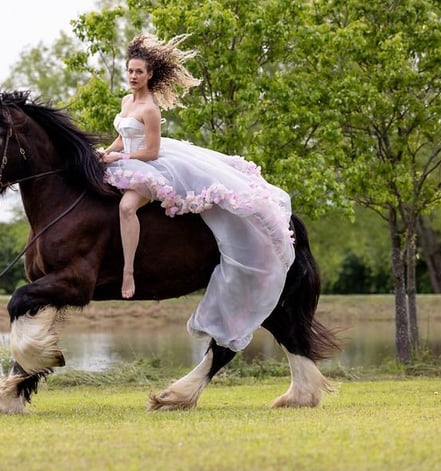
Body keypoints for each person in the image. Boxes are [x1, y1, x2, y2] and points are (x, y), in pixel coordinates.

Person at [99, 33, 295, 352]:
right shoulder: (126, 101)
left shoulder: (150, 109)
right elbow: (121, 136)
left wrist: (121, 158)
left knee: (126, 208)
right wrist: (106, 152)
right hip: (123, 160)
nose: (133, 76)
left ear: (149, 75)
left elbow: (150, 151)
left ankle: (128, 273)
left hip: (149, 167)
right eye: (130, 71)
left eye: (138, 72)